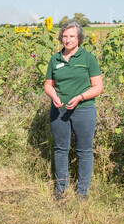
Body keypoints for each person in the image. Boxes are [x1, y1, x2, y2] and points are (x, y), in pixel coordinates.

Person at [44, 20, 103, 200]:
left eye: (72, 36)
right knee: (61, 149)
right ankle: (60, 189)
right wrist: (53, 95)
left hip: (84, 110)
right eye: (64, 36)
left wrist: (80, 97)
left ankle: (82, 191)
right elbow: (48, 84)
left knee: (84, 150)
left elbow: (98, 87)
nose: (67, 40)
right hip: (59, 110)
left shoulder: (88, 58)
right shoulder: (55, 59)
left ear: (79, 38)